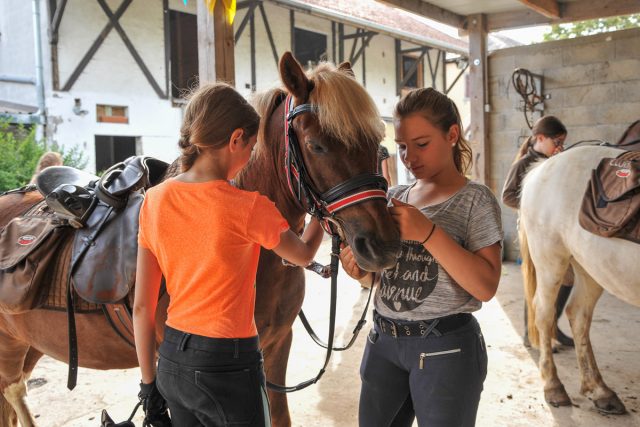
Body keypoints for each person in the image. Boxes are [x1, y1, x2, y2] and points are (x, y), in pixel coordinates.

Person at [133, 83, 324, 426]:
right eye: (251, 147)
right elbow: (305, 254)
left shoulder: (154, 200)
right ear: (236, 139)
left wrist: (148, 385)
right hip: (228, 365)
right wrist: (322, 211)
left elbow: (143, 307)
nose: (250, 156)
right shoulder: (247, 207)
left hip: (173, 360)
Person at [341, 87, 503, 427]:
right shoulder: (396, 195)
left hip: (446, 347)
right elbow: (386, 276)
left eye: (422, 143)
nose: (409, 157)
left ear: (452, 134)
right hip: (383, 341)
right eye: (401, 146)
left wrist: (428, 233)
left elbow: (486, 286)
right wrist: (361, 273)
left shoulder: (475, 200)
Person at [501, 115, 574, 348]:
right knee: (536, 281)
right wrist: (535, 205)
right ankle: (529, 334)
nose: (560, 147)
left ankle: (551, 325)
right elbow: (507, 196)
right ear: (540, 138)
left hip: (555, 231)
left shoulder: (554, 161)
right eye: (557, 141)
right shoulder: (523, 164)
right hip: (533, 232)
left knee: (567, 278)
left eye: (562, 142)